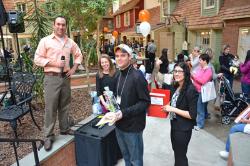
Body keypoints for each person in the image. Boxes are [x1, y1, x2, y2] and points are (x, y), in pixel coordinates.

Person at [34, 16, 83, 151]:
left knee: (65, 105)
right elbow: (37, 59)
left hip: (66, 78)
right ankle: (48, 136)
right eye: (58, 24)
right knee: (50, 108)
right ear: (53, 25)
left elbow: (79, 55)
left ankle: (64, 128)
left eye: (63, 25)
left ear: (65, 26)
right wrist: (55, 63)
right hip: (51, 78)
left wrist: (73, 68)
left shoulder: (70, 42)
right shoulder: (45, 41)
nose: (61, 27)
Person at [106, 44, 150, 166]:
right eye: (117, 56)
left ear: (130, 57)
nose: (119, 58)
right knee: (126, 158)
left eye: (123, 55)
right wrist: (111, 105)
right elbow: (118, 98)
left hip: (133, 127)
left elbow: (145, 102)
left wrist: (123, 113)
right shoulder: (118, 75)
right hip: (119, 125)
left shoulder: (138, 76)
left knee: (135, 161)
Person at [162, 62, 198, 166]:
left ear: (186, 73)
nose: (176, 74)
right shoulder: (176, 86)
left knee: (181, 156)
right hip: (174, 125)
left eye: (179, 71)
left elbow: (192, 115)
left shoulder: (191, 90)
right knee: (177, 152)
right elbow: (174, 102)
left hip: (183, 128)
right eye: (175, 71)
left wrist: (172, 109)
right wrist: (167, 106)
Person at [191, 53, 212, 130]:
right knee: (200, 107)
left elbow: (203, 81)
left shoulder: (208, 70)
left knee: (200, 108)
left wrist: (194, 76)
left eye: (200, 60)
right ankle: (200, 121)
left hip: (202, 92)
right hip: (196, 90)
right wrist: (193, 76)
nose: (199, 62)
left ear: (205, 61)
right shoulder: (200, 68)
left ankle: (200, 125)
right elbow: (196, 77)